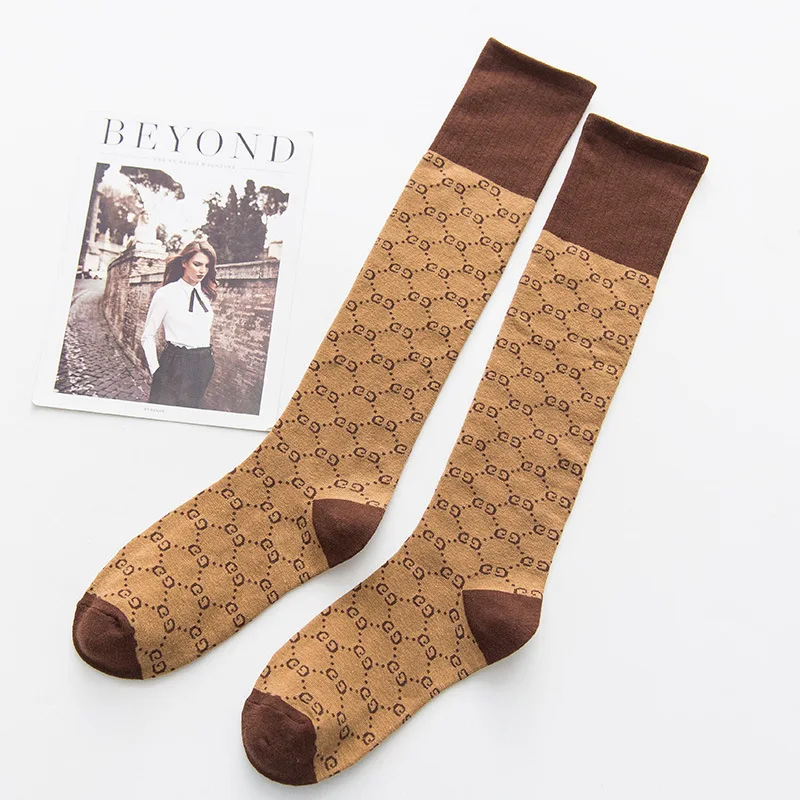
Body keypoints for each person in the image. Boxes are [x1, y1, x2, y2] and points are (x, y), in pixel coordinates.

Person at [141, 240, 218, 408]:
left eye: (207, 266)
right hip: (175, 364)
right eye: (197, 264)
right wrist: (156, 371)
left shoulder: (206, 294)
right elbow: (148, 336)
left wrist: (207, 363)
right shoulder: (166, 294)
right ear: (184, 263)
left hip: (202, 363)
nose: (202, 270)